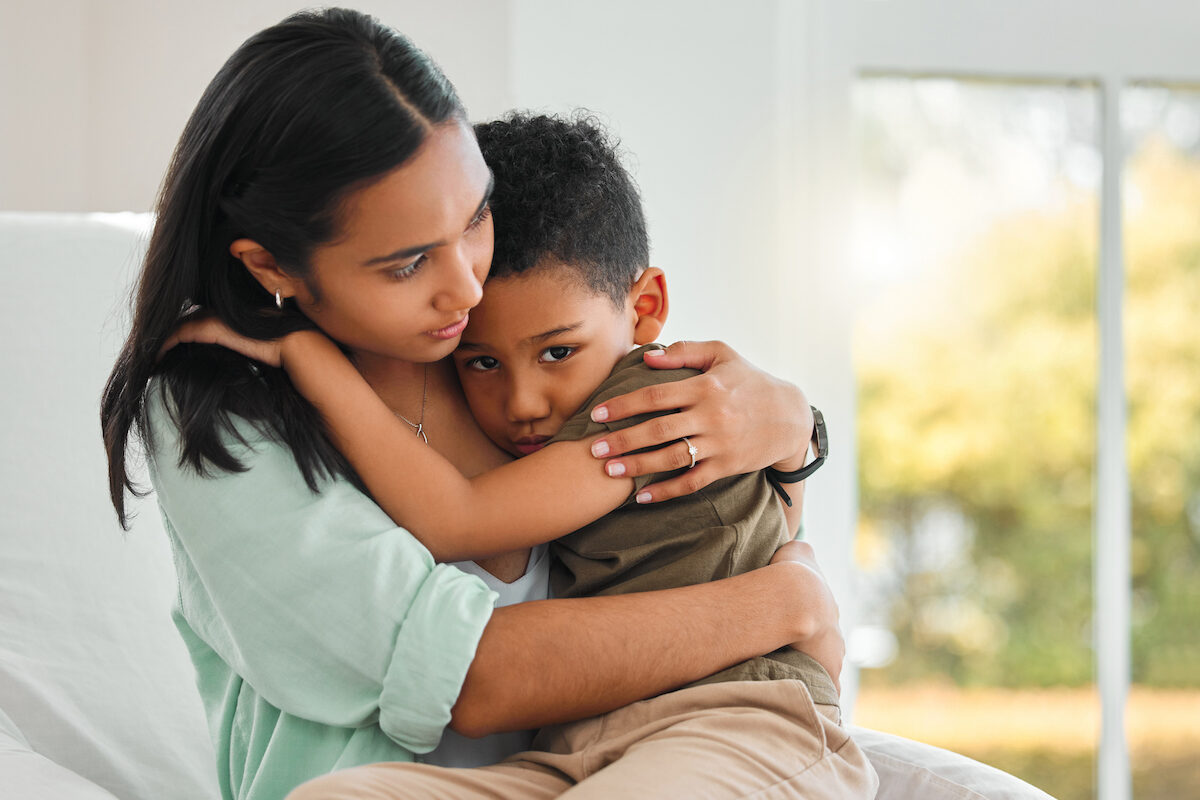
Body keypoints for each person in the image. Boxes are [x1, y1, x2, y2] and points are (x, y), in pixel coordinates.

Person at [102, 9, 838, 800]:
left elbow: (724, 526)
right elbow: (469, 675)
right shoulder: (216, 414)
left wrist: (793, 430)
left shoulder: (505, 344)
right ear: (273, 267)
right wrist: (779, 606)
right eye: (408, 263)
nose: (466, 287)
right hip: (515, 770)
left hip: (663, 743)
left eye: (475, 217)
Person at [270, 112, 877, 798]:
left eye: (558, 351)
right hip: (579, 747)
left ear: (645, 307)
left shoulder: (646, 408)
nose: (523, 402)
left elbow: (456, 519)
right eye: (482, 362)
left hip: (738, 721)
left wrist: (304, 354)